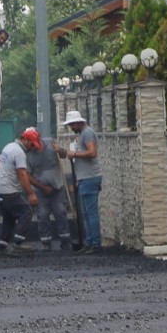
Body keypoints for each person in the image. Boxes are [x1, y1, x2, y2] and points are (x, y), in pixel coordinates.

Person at [0, 128, 40, 258]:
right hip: (8, 191)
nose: (32, 147)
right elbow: (22, 174)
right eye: (32, 144)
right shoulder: (19, 153)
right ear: (24, 139)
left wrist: (1, 180)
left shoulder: (8, 146)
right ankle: (18, 244)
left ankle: (1, 247)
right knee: (26, 211)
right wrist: (31, 194)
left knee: (9, 217)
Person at [58, 108, 102, 253]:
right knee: (86, 214)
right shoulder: (83, 135)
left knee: (90, 213)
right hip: (85, 178)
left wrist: (75, 153)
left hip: (90, 177)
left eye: (72, 125)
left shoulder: (87, 133)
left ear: (77, 123)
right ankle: (89, 242)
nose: (71, 128)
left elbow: (92, 153)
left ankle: (94, 244)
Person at [24, 125, 71, 251]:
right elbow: (28, 175)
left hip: (57, 187)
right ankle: (46, 242)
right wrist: (43, 188)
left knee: (61, 212)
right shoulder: (27, 155)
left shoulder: (51, 143)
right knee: (42, 215)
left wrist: (60, 150)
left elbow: (63, 156)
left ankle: (65, 241)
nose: (31, 147)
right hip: (40, 191)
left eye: (32, 144)